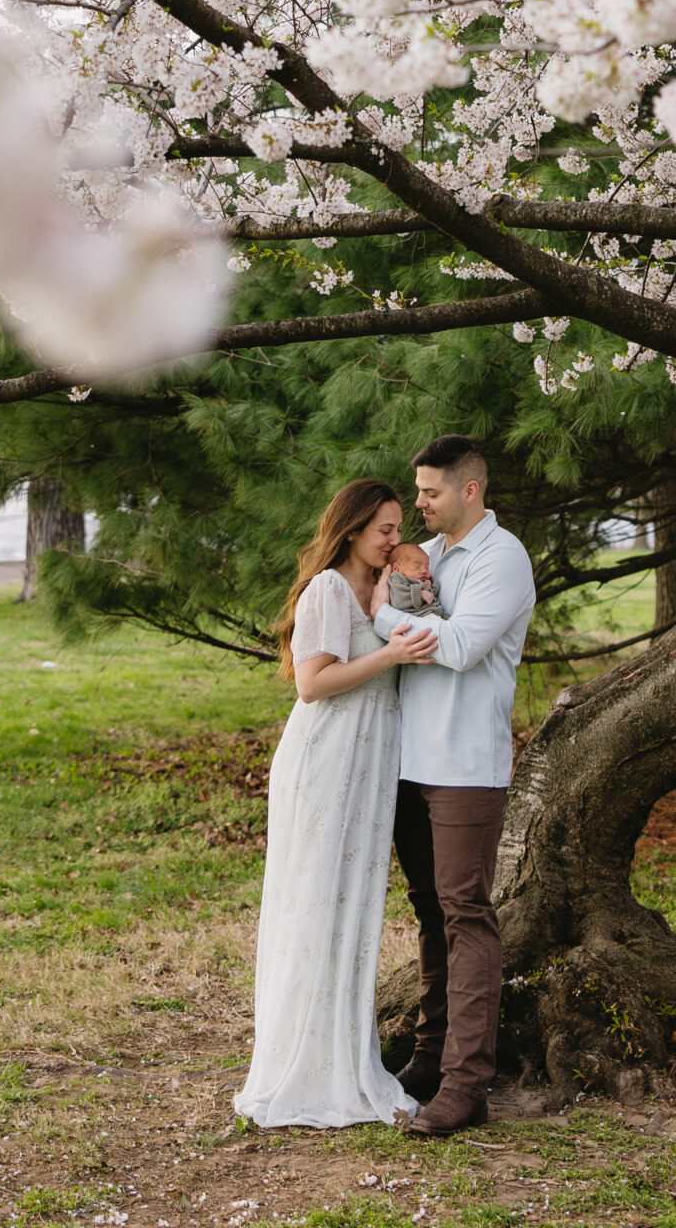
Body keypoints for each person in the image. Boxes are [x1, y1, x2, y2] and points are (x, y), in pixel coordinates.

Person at [234, 477, 439, 1130]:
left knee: (352, 909)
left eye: (397, 527)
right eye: (382, 528)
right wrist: (390, 655)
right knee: (316, 903)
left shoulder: (381, 589)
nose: (393, 539)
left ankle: (344, 1054)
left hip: (372, 759)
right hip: (326, 756)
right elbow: (312, 684)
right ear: (350, 530)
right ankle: (301, 1066)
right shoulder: (326, 589)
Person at [373, 434, 537, 1139]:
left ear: (469, 490)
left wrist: (383, 618)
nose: (418, 504)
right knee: (428, 912)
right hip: (409, 760)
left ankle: (468, 1085)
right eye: (417, 491)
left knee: (465, 915)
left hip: (464, 766)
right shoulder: (429, 558)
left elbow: (464, 647)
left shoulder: (503, 558)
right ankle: (430, 1055)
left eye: (430, 492)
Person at [384, 539, 438, 615]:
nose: (424, 571)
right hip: (415, 617)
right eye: (416, 566)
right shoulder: (396, 579)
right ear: (396, 569)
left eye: (427, 567)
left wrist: (430, 585)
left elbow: (433, 596)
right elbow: (398, 601)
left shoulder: (424, 579)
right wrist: (420, 594)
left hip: (433, 613)